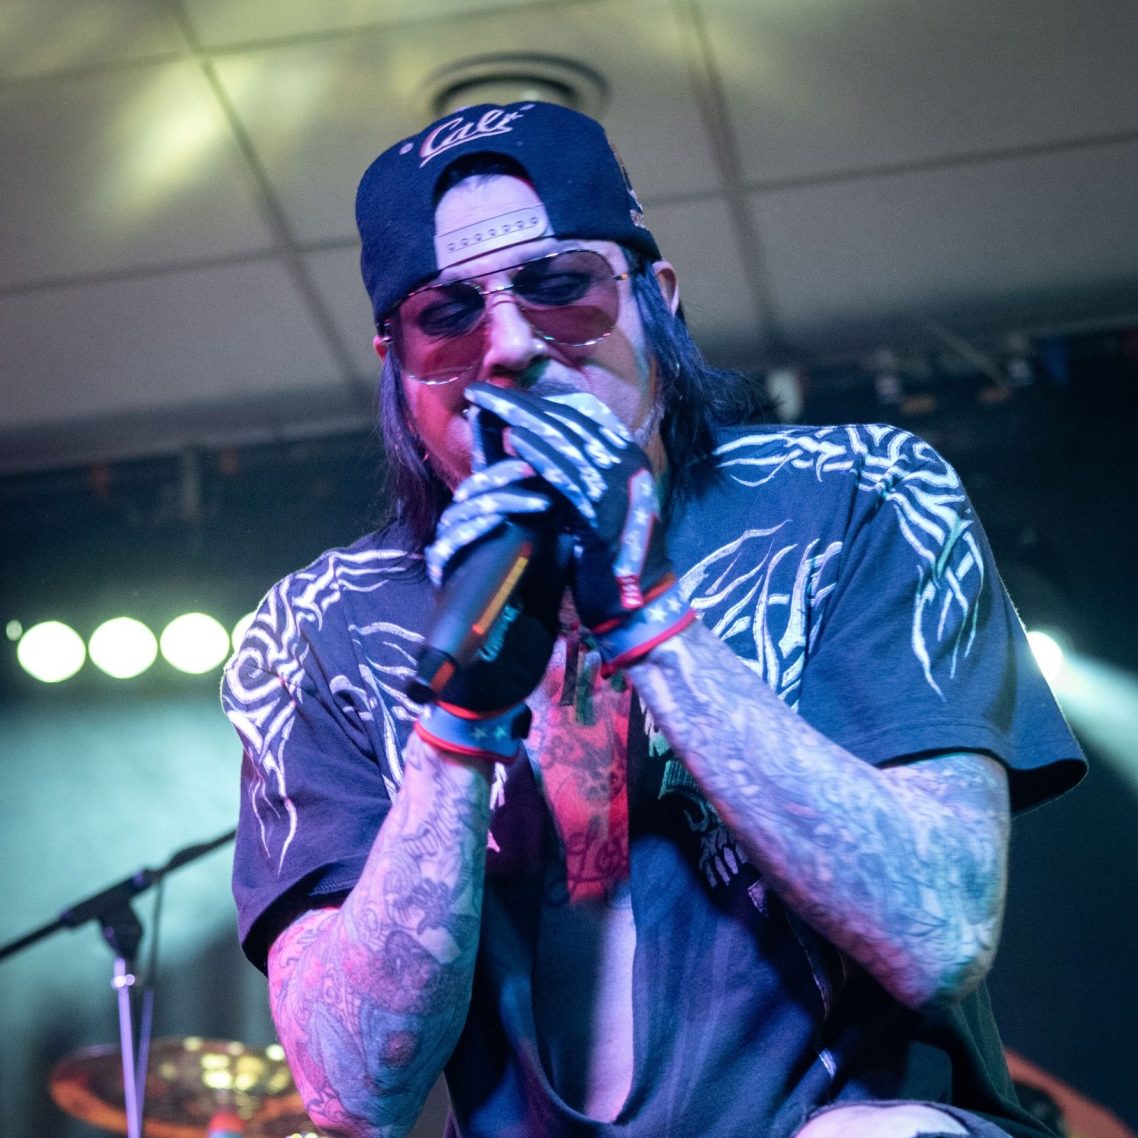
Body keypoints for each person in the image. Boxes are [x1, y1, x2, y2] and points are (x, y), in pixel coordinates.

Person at [222, 101, 1085, 1138]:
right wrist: (457, 723)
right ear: (398, 367)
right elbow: (350, 1094)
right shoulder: (319, 629)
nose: (509, 346)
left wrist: (647, 616)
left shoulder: (857, 495)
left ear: (656, 299)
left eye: (561, 287)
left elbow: (939, 933)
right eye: (446, 316)